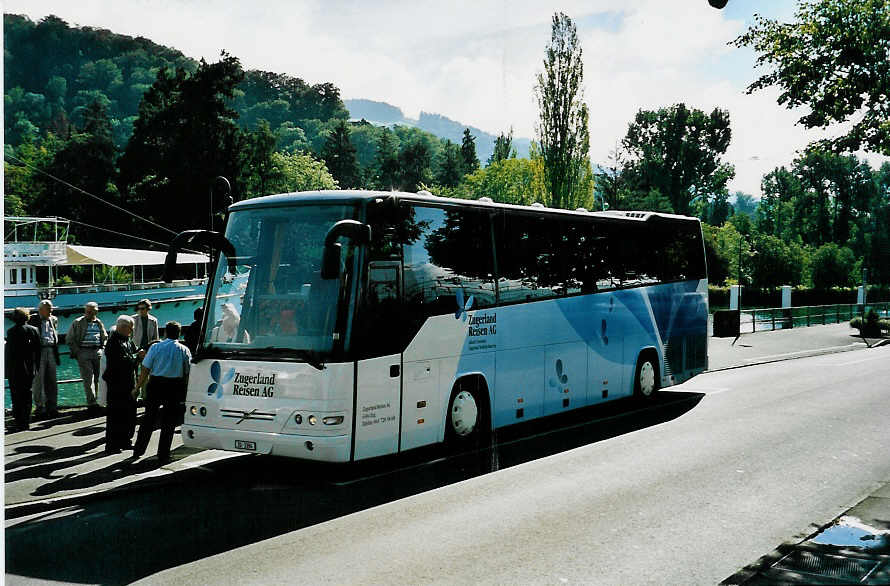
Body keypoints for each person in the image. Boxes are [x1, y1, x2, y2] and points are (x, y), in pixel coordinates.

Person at [132, 321, 192, 462]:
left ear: (165, 333)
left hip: (156, 383)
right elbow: (188, 373)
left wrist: (138, 387)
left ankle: (138, 450)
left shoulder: (155, 347)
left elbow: (145, 368)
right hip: (174, 386)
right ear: (179, 333)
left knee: (148, 418)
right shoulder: (184, 350)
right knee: (169, 421)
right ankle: (163, 454)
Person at [103, 315, 143, 452]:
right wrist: (137, 356)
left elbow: (134, 352)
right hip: (117, 383)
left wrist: (140, 353)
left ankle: (125, 440)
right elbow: (122, 361)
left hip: (128, 382)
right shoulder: (113, 342)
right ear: (123, 328)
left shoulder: (127, 341)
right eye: (130, 328)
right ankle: (112, 444)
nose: (132, 331)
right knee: (116, 414)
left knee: (129, 413)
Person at [67, 301, 108, 413]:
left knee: (100, 378)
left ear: (96, 311)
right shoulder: (78, 322)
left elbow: (104, 336)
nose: (88, 313)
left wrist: (102, 348)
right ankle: (92, 403)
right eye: (87, 311)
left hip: (97, 352)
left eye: (91, 311)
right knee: (88, 379)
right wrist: (78, 352)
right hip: (84, 352)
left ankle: (100, 401)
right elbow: (69, 338)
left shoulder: (98, 322)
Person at [5, 308, 41, 431]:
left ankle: (18, 420)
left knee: (16, 395)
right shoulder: (34, 330)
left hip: (14, 368)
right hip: (29, 367)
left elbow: (8, 353)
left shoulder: (10, 332)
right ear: (27, 317)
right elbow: (38, 351)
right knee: (27, 394)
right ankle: (26, 420)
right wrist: (37, 367)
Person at [29, 300, 61, 419]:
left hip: (51, 350)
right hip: (39, 352)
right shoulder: (32, 319)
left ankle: (52, 407)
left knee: (52, 381)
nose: (51, 311)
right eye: (49, 309)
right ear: (41, 309)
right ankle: (39, 407)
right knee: (38, 381)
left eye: (51, 308)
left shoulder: (54, 319)